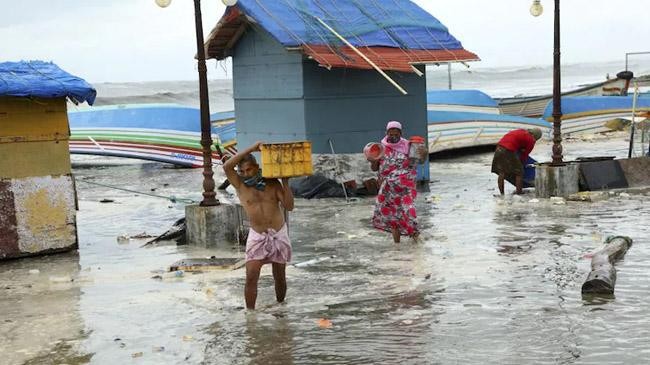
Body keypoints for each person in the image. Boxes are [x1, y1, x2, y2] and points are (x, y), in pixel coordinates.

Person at [223, 141, 294, 310]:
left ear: (256, 167)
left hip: (278, 233)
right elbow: (227, 167)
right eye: (242, 171)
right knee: (251, 276)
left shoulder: (272, 183)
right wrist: (251, 148)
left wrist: (285, 182)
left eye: (249, 170)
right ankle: (251, 314)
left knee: (280, 277)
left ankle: (281, 308)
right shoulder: (240, 185)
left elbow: (289, 206)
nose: (246, 174)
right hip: (257, 235)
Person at [369, 121, 425, 243]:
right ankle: (397, 246)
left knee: (409, 211)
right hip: (388, 188)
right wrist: (373, 161)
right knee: (393, 216)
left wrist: (424, 154)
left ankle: (416, 240)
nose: (393, 136)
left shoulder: (408, 146)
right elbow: (374, 168)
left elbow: (419, 162)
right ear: (386, 133)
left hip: (405, 187)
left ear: (401, 133)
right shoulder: (380, 147)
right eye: (391, 133)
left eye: (396, 133)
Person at [491, 128, 543, 195]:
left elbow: (515, 141)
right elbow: (524, 156)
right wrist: (521, 164)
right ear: (535, 136)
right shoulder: (530, 140)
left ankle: (502, 194)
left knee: (502, 172)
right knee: (519, 172)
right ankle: (519, 193)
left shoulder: (521, 131)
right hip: (509, 150)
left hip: (499, 147)